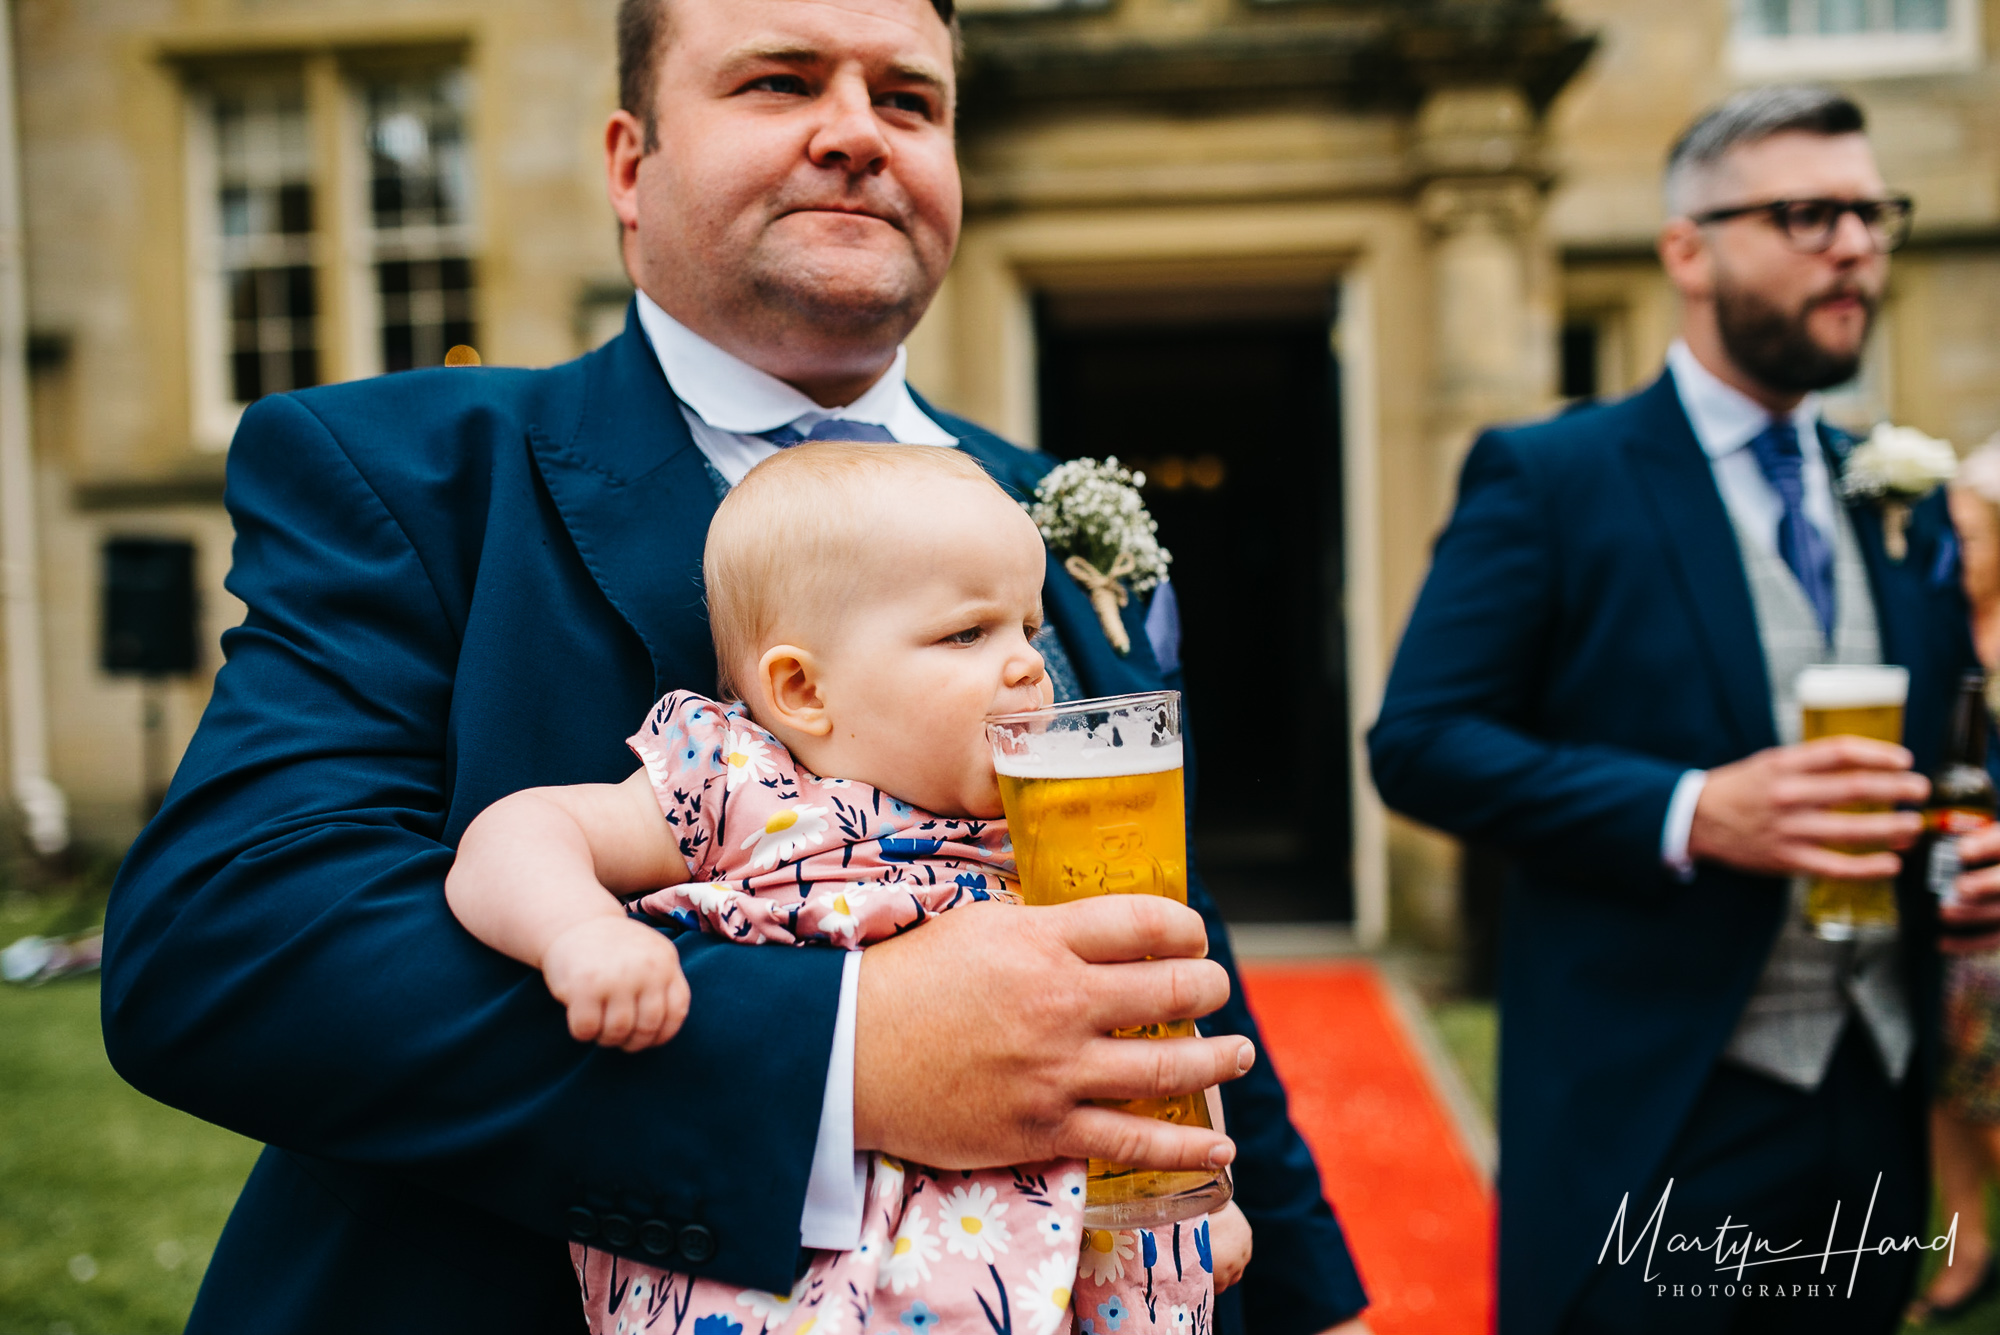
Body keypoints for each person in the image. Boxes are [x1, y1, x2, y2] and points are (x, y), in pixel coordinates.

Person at [98, 1, 1371, 1332]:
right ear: (629, 165)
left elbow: (1166, 923)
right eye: (779, 81)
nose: (855, 136)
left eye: (910, 100)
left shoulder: (1042, 504)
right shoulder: (405, 473)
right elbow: (232, 942)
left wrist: (1303, 1291)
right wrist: (851, 1053)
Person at [1369, 86, 1974, 1335]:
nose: (1855, 244)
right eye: (1808, 214)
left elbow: (1959, 742)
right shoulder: (1551, 477)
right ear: (1685, 249)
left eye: (1870, 213)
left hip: (1868, 1097)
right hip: (1657, 1115)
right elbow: (1420, 745)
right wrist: (1693, 812)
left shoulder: (1888, 489)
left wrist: (1973, 839)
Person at [448, 443, 1246, 1331]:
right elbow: (514, 834)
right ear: (802, 688)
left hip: (1055, 1280)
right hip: (807, 1283)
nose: (1028, 664)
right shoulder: (739, 781)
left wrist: (1203, 1187)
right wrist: (580, 933)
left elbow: (1128, 1022)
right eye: (967, 633)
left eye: (1027, 625)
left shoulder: (1046, 825)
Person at [1907, 439, 2000, 1324]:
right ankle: (1966, 1246)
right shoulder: (1936, 627)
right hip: (1948, 902)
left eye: (1970, 535)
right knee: (1944, 1085)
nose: (1953, 550)